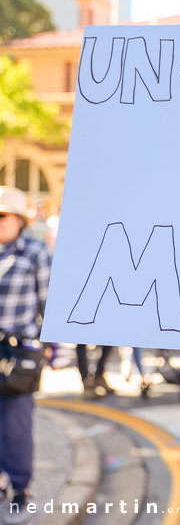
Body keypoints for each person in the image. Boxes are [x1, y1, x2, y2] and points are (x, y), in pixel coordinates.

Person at [0, 186, 52, 523]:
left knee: (15, 425)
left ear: (19, 219)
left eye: (2, 215)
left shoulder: (35, 252)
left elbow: (49, 304)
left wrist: (51, 350)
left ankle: (20, 488)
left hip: (18, 354)